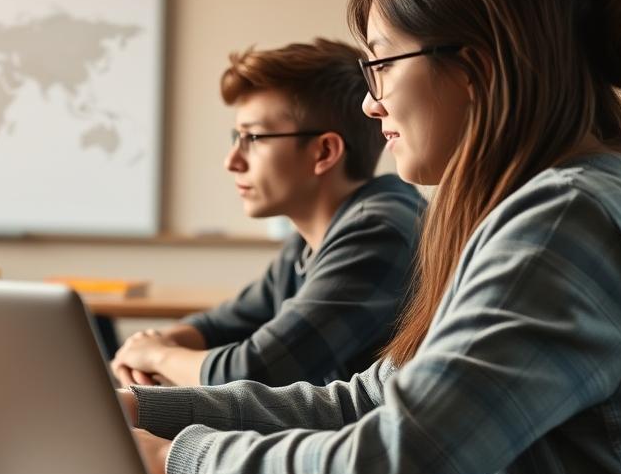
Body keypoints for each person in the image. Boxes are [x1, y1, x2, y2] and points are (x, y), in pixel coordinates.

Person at [121, 0, 621, 474]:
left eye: (379, 63)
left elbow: (390, 473)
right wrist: (144, 414)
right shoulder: (545, 206)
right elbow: (373, 399)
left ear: (477, 65)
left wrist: (176, 459)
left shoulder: (563, 222)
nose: (372, 104)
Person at [110, 40, 423, 388]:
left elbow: (255, 372)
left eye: (253, 138)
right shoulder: (304, 245)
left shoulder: (377, 231)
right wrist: (152, 343)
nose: (232, 161)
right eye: (236, 137)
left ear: (324, 151)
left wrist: (156, 355)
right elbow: (222, 325)